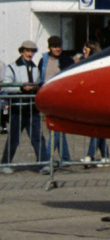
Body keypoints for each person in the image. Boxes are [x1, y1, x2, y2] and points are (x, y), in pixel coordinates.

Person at [1, 40, 48, 173]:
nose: (30, 54)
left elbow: (38, 83)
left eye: (32, 51)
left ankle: (43, 163)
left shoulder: (35, 68)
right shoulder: (12, 67)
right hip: (18, 107)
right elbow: (6, 86)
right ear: (22, 52)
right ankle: (5, 163)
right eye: (27, 51)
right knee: (14, 138)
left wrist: (35, 88)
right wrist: (21, 88)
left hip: (31, 107)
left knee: (37, 137)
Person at [39, 36, 75, 166]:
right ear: (49, 47)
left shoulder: (67, 60)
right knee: (57, 128)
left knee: (55, 128)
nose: (58, 49)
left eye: (59, 46)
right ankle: (65, 158)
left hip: (61, 99)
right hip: (48, 98)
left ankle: (46, 161)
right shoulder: (43, 60)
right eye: (55, 47)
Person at [74, 41, 109, 165]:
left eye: (86, 49)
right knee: (98, 129)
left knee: (96, 128)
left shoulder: (97, 63)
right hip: (91, 98)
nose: (83, 51)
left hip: (99, 98)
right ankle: (105, 156)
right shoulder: (84, 61)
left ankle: (90, 155)